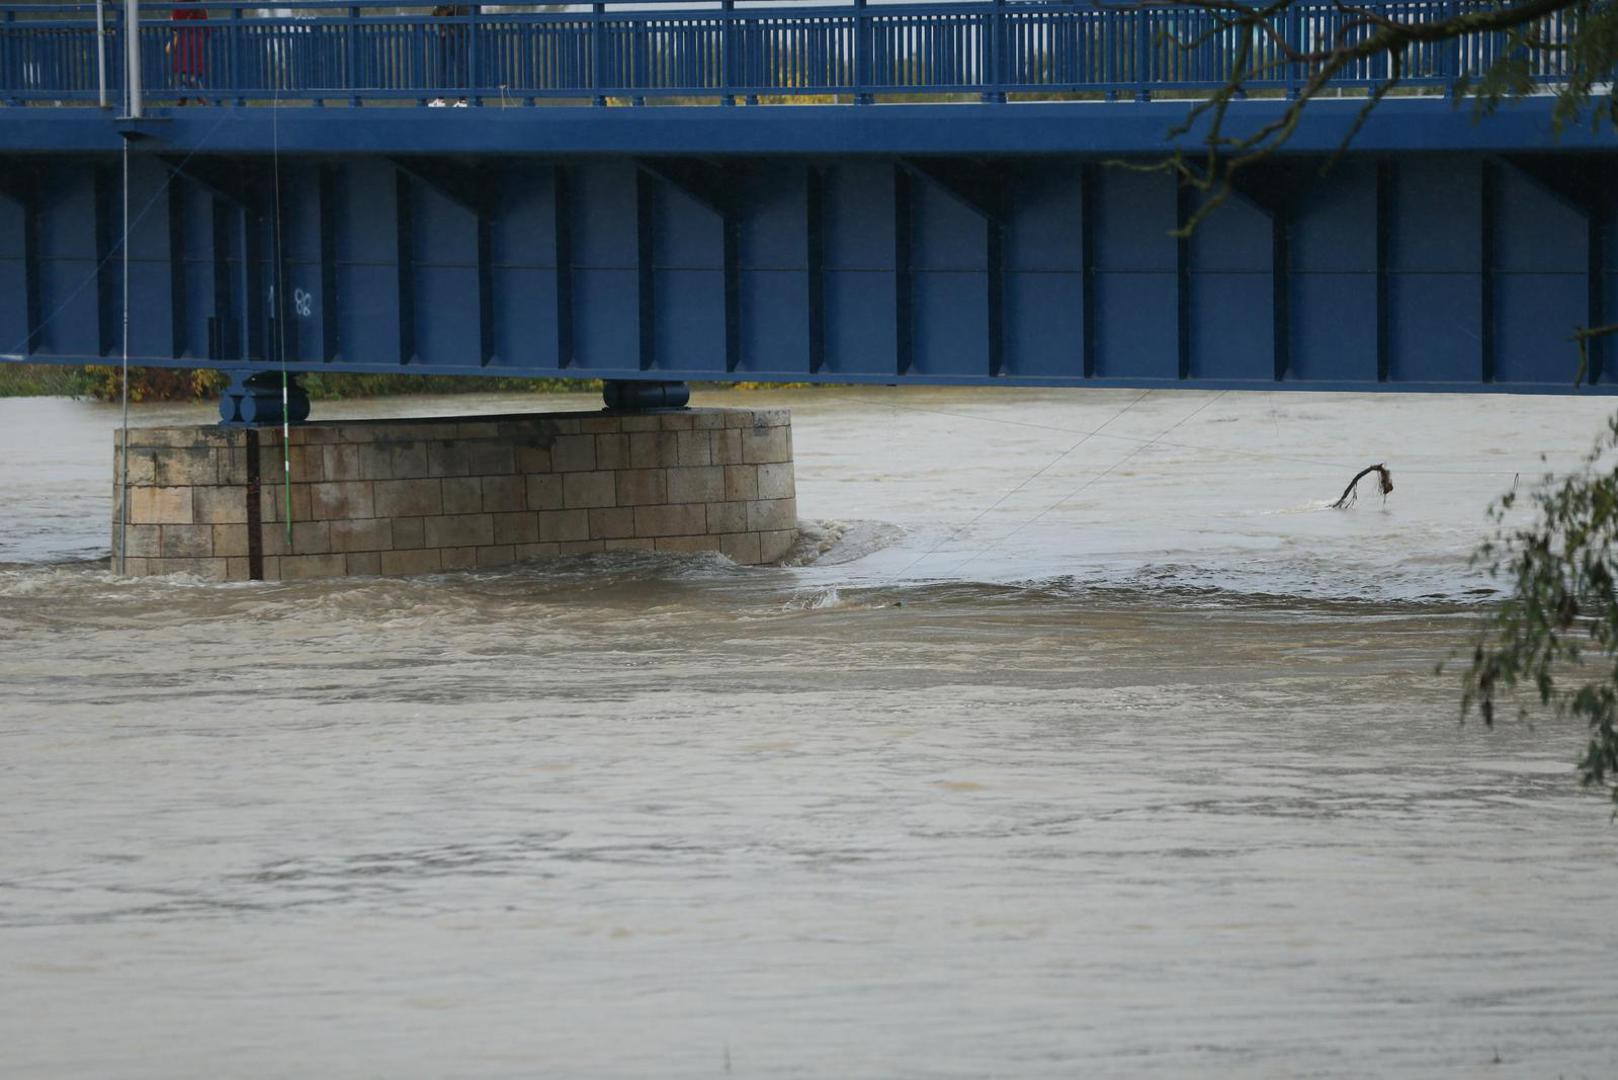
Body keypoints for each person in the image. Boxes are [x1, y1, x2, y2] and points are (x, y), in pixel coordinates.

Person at [166, 1, 208, 106]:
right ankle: (199, 98)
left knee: (181, 72)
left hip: (183, 42)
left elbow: (174, 25)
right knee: (193, 73)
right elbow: (207, 29)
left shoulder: (179, 5)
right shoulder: (200, 7)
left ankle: (183, 96)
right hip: (197, 42)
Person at [430, 4, 470, 107]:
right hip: (451, 31)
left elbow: (442, 10)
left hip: (454, 32)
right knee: (450, 66)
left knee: (454, 66)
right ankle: (455, 99)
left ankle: (455, 99)